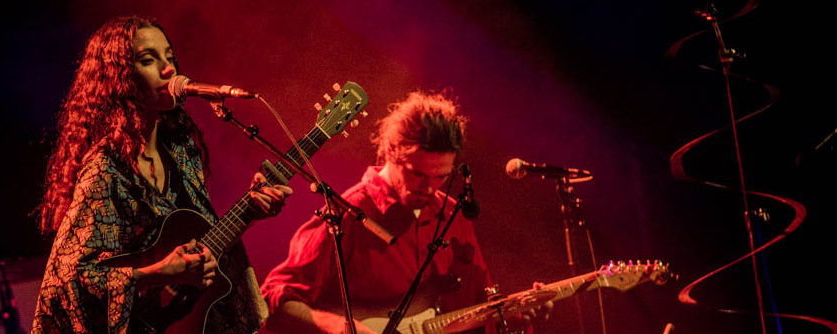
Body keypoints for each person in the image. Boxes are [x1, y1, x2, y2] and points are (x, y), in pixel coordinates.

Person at [31, 16, 292, 334]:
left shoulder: (182, 152)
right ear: (119, 78)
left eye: (169, 57)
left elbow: (202, 242)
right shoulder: (106, 169)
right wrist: (158, 273)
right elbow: (69, 282)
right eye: (148, 60)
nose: (169, 69)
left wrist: (254, 209)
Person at [260, 91, 550, 334]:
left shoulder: (452, 215)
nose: (429, 187)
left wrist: (515, 314)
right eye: (417, 174)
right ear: (390, 151)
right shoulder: (347, 213)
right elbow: (274, 296)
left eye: (440, 177)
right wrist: (340, 327)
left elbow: (478, 303)